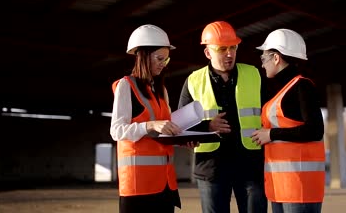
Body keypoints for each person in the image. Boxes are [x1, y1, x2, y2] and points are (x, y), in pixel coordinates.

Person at [178, 21, 268, 213]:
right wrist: (207, 126)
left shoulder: (254, 74)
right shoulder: (193, 81)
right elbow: (180, 127)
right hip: (212, 168)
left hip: (250, 165)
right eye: (222, 49)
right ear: (208, 53)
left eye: (233, 47)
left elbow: (272, 113)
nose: (229, 53)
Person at [110, 24, 188, 213]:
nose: (163, 63)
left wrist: (183, 139)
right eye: (159, 58)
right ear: (143, 56)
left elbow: (164, 132)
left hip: (165, 184)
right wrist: (150, 125)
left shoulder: (162, 91)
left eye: (166, 60)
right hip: (138, 187)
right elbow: (117, 130)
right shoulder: (126, 86)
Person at [251, 29, 326, 213]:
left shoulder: (302, 87)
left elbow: (315, 130)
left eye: (263, 59)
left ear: (276, 58)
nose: (262, 65)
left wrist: (271, 134)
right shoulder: (282, 91)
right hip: (282, 186)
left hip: (300, 188)